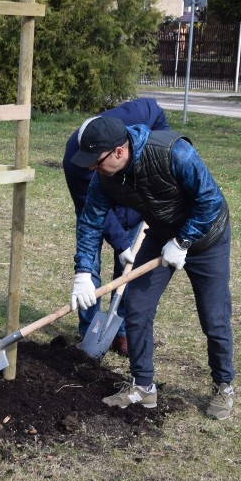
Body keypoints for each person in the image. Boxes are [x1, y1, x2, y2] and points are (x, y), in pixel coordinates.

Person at [69, 116, 235, 421]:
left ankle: (224, 385)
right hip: (161, 234)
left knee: (214, 318)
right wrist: (82, 274)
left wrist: (183, 241)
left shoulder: (172, 153)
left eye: (97, 161)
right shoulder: (105, 179)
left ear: (119, 152)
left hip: (207, 238)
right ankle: (143, 386)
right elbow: (90, 222)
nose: (93, 168)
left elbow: (210, 199)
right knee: (135, 306)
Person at [62, 98, 169, 356]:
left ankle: (119, 331)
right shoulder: (76, 165)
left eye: (96, 161)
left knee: (127, 270)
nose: (91, 166)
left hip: (129, 196)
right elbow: (93, 215)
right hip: (95, 211)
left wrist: (156, 154)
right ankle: (90, 331)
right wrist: (120, 244)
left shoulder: (133, 116)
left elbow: (157, 114)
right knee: (90, 269)